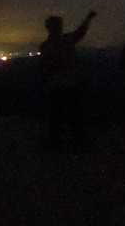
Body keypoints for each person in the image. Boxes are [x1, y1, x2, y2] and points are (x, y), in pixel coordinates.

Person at [38, 11, 97, 152]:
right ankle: (77, 140)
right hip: (69, 83)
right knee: (73, 114)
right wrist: (88, 18)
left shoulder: (45, 46)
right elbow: (81, 32)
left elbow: (44, 68)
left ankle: (56, 142)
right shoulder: (66, 40)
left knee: (57, 115)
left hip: (56, 85)